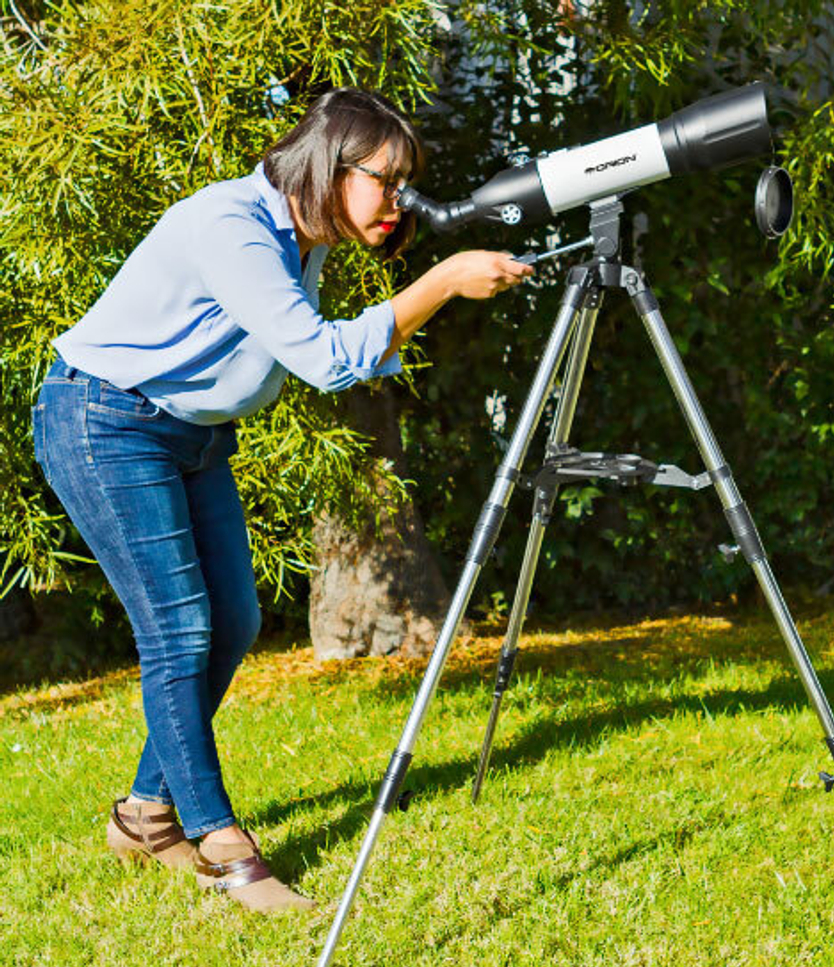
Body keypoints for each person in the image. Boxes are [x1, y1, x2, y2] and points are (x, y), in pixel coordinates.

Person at [31, 88, 532, 913]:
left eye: (404, 184)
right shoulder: (231, 225)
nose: (398, 200)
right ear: (331, 167)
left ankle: (145, 814)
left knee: (234, 621)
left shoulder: (301, 234)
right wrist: (442, 281)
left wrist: (418, 281)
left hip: (190, 433)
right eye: (387, 180)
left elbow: (331, 347)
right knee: (178, 630)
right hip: (107, 420)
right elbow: (327, 360)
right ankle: (222, 846)